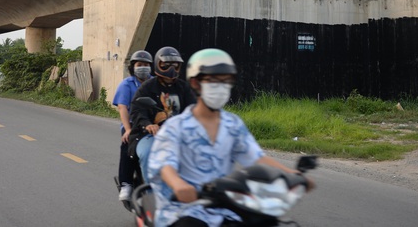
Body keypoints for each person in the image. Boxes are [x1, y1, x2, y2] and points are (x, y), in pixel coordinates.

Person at [147, 48, 315, 227]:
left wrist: (292, 175)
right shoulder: (175, 127)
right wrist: (178, 184)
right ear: (196, 83)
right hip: (184, 210)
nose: (221, 87)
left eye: (226, 81)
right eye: (214, 81)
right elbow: (165, 166)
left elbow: (256, 158)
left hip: (227, 208)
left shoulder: (233, 124)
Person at [129, 46, 197, 185]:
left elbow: (194, 109)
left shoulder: (184, 88)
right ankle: (152, 191)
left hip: (178, 135)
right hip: (148, 135)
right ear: (158, 65)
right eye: (166, 64)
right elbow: (137, 109)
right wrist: (148, 124)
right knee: (149, 154)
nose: (171, 68)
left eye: (175, 65)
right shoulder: (148, 87)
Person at [113, 50, 154, 201]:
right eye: (139, 65)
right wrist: (128, 130)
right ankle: (126, 183)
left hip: (153, 124)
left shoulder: (155, 83)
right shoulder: (127, 84)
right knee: (127, 145)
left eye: (146, 65)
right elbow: (122, 107)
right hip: (132, 124)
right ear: (133, 67)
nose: (143, 67)